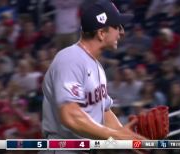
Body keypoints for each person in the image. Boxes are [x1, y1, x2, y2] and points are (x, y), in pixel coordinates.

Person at [41, 0, 145, 150]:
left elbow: (104, 112)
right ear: (102, 33)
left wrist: (128, 137)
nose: (121, 32)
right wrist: (117, 136)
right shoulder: (70, 58)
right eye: (116, 26)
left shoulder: (96, 67)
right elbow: (70, 116)